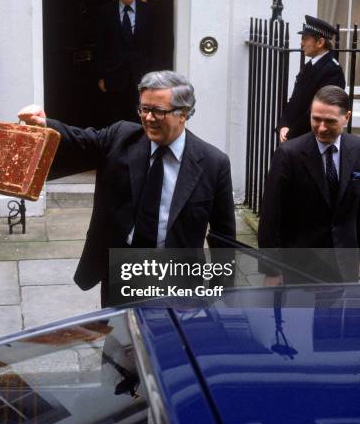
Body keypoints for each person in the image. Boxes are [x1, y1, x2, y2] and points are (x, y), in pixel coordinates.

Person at [18, 71, 236, 305]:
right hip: (123, 276)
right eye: (144, 109)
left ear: (183, 113)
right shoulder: (120, 138)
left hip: (178, 282)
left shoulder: (213, 163)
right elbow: (78, 140)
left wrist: (220, 296)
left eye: (158, 111)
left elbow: (223, 237)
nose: (149, 118)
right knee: (120, 341)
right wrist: (44, 125)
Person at [259, 85, 360, 285]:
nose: (321, 127)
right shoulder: (289, 154)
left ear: (346, 117)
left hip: (345, 266)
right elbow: (271, 215)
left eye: (329, 121)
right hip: (299, 268)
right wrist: (271, 270)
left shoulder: (357, 150)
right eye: (316, 119)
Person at [97, 0, 155, 124]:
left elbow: (156, 46)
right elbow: (100, 46)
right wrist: (101, 76)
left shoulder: (149, 12)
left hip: (143, 78)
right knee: (116, 121)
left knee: (141, 120)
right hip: (114, 77)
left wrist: (156, 76)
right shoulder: (105, 13)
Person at [278, 15, 345, 142]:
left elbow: (319, 110)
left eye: (305, 39)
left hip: (311, 140)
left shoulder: (333, 71)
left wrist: (291, 133)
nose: (301, 43)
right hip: (294, 138)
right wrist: (283, 125)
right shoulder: (310, 65)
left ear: (320, 42)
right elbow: (295, 101)